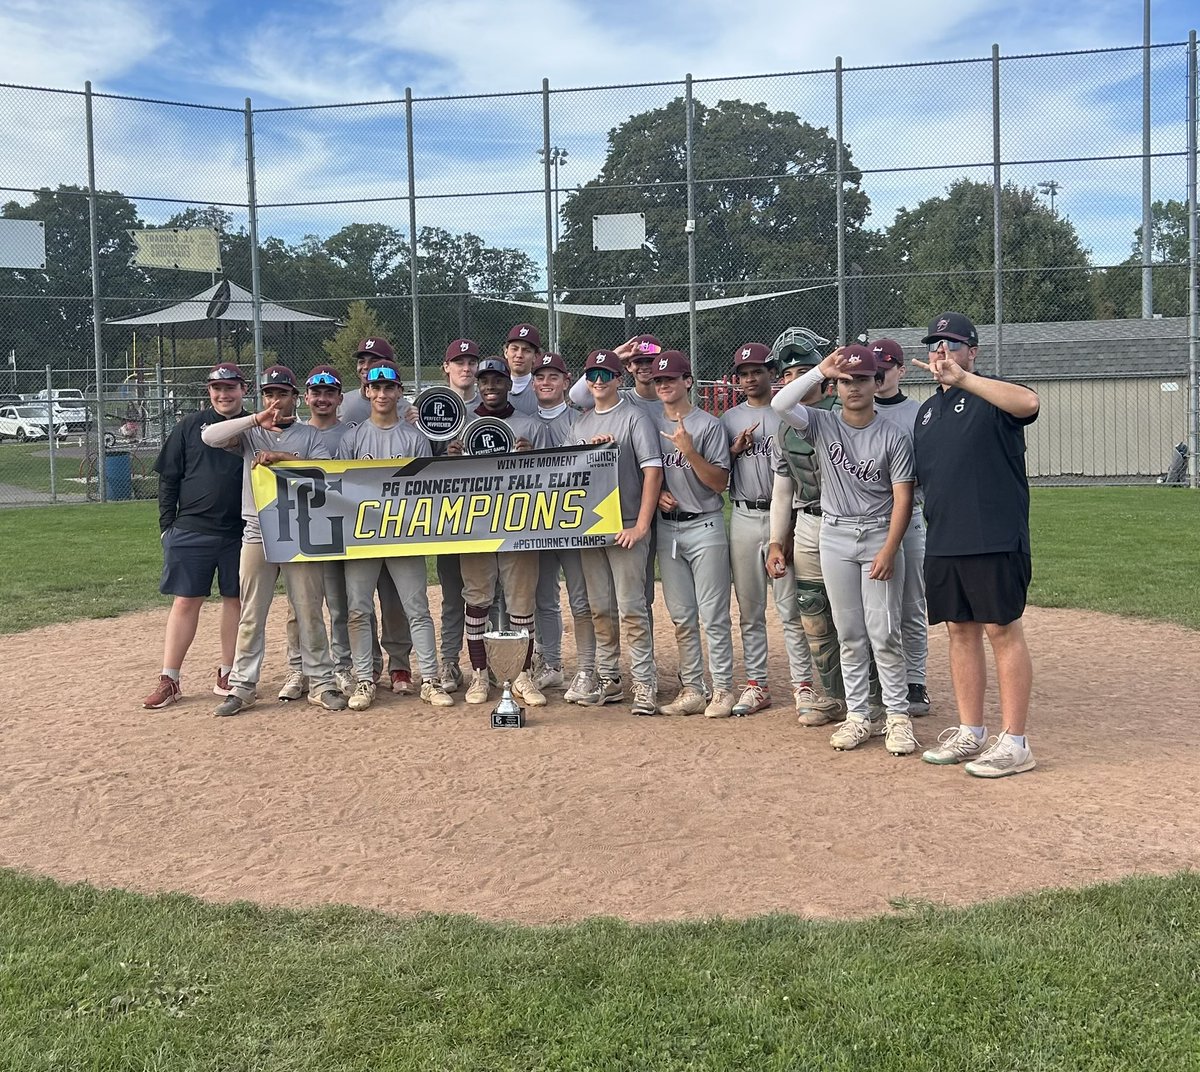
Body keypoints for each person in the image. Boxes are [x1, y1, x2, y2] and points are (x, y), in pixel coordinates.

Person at [771, 345, 918, 756]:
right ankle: (858, 716)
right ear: (836, 385)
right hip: (833, 536)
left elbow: (903, 497)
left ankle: (897, 716)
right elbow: (781, 402)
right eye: (846, 380)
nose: (853, 387)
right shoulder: (821, 423)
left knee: (884, 632)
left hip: (877, 535)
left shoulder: (892, 433)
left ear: (876, 382)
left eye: (862, 379)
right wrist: (820, 370)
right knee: (850, 634)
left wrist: (890, 548)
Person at [912, 311, 1040, 778]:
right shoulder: (927, 411)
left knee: (1001, 630)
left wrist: (966, 380)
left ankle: (1016, 742)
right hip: (945, 540)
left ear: (973, 351)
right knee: (959, 631)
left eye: (951, 344)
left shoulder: (992, 395)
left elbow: (1028, 403)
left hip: (994, 537)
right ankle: (972, 732)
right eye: (934, 345)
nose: (941, 352)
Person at [202, 365, 347, 715]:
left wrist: (283, 457)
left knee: (308, 608)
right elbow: (211, 437)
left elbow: (324, 470)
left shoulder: (309, 435)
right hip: (257, 530)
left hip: (300, 530)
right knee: (252, 610)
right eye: (269, 394)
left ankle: (321, 681)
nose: (275, 400)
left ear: (295, 398)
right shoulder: (252, 433)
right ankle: (243, 685)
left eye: (282, 393)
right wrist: (254, 419)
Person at [336, 360, 454, 712]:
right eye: (377, 387)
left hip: (404, 536)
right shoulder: (353, 437)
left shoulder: (414, 438)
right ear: (367, 391)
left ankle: (430, 678)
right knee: (358, 610)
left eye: (390, 388)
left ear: (399, 392)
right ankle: (363, 679)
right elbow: (339, 488)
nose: (383, 394)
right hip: (361, 537)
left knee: (417, 609)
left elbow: (426, 488)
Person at [142, 361, 248, 709]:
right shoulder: (190, 425)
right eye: (217, 388)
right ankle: (170, 677)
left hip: (240, 531)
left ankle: (228, 671)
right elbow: (169, 477)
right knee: (186, 601)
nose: (223, 394)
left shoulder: (255, 427)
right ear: (209, 392)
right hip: (192, 528)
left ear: (243, 390)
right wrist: (166, 527)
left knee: (235, 601)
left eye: (230, 387)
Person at [447, 356, 551, 707]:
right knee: (477, 600)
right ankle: (479, 673)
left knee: (522, 601)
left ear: (510, 383)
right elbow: (438, 480)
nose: (491, 386)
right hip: (473, 523)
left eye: (498, 380)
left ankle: (522, 673)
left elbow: (557, 473)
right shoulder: (461, 427)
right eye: (485, 381)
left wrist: (533, 456)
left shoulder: (529, 425)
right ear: (477, 384)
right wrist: (450, 457)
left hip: (520, 522)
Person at [720, 342, 814, 717]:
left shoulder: (788, 414)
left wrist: (787, 532)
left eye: (756, 371)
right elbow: (715, 474)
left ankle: (803, 685)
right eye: (743, 373)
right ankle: (756, 684)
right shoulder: (727, 419)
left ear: (772, 374)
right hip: (742, 514)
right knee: (750, 609)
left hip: (786, 518)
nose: (749, 378)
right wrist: (733, 450)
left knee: (791, 608)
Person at [570, 348, 662, 715]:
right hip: (593, 528)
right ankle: (610, 677)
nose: (597, 381)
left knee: (632, 609)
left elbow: (652, 472)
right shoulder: (581, 423)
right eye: (592, 374)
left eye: (605, 374)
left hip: (625, 524)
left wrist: (641, 526)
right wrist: (587, 451)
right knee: (600, 608)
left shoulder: (634, 418)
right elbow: (570, 475)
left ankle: (644, 681)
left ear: (618, 379)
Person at [765, 338, 849, 726]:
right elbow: (783, 492)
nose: (795, 380)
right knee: (812, 612)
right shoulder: (786, 428)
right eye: (788, 375)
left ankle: (874, 697)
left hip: (850, 521)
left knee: (856, 615)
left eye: (804, 372)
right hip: (810, 523)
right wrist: (775, 542)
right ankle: (833, 695)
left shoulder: (845, 412)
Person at [650, 350, 737, 719]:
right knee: (682, 615)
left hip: (705, 525)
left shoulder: (708, 425)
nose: (665, 384)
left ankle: (723, 689)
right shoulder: (650, 425)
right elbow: (645, 476)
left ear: (688, 382)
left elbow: (720, 482)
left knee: (714, 614)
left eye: (671, 378)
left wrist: (690, 452)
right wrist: (656, 497)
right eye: (658, 380)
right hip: (668, 528)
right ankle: (693, 689)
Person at [339, 337, 415, 693]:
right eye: (364, 361)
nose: (367, 366)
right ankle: (366, 668)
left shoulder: (410, 416)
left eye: (375, 361)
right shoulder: (349, 407)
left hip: (399, 525)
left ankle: (399, 665)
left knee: (397, 599)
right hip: (360, 524)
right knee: (359, 603)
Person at [278, 366, 355, 701]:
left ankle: (342, 666)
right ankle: (300, 667)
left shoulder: (350, 433)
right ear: (305, 397)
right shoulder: (295, 432)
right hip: (301, 529)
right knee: (299, 606)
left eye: (329, 393)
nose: (322, 399)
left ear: (340, 398)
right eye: (316, 393)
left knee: (341, 603)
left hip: (340, 529)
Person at [528, 351, 597, 697]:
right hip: (537, 523)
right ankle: (552, 664)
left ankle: (587, 667)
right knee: (543, 598)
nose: (545, 382)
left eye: (553, 376)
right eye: (540, 376)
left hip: (575, 521)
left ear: (566, 382)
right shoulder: (523, 420)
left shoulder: (581, 419)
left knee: (581, 598)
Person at [871, 338, 932, 717]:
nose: (878, 375)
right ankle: (876, 681)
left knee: (910, 604)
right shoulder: (852, 409)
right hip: (861, 520)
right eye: (872, 369)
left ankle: (916, 681)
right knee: (872, 609)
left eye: (886, 368)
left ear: (901, 370)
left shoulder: (917, 413)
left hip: (907, 520)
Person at [433, 338, 482, 692]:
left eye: (471, 362)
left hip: (485, 517)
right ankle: (450, 663)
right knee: (453, 596)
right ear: (446, 368)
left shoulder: (491, 407)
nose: (466, 368)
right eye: (458, 362)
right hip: (447, 520)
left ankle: (492, 661)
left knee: (489, 596)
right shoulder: (429, 409)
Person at [503, 323, 542, 415]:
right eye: (514, 349)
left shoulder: (542, 389)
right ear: (506, 352)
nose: (519, 355)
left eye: (526, 350)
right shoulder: (495, 388)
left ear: (535, 357)